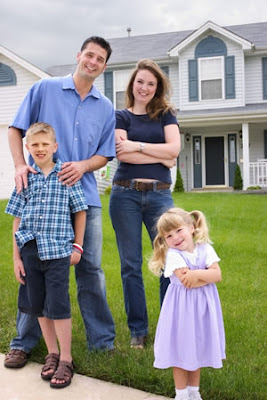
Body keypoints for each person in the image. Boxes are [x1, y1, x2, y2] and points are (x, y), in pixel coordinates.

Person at [4, 36, 116, 369]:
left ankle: (101, 342)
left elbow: (105, 154)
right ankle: (24, 343)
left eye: (100, 59)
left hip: (82, 197)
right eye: (89, 55)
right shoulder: (45, 88)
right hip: (39, 196)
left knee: (90, 269)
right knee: (33, 270)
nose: (93, 62)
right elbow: (15, 129)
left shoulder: (105, 107)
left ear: (104, 66)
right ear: (79, 55)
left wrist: (83, 165)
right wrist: (19, 165)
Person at [6, 123, 88, 388]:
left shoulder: (66, 175)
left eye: (45, 144)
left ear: (55, 147)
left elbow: (80, 211)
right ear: (27, 148)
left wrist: (78, 246)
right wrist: (16, 258)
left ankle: (66, 358)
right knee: (39, 305)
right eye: (35, 145)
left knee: (59, 305)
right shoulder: (24, 178)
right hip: (30, 250)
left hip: (58, 251)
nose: (40, 149)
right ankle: (51, 354)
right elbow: (17, 220)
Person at [109, 59, 181, 348]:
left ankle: (168, 326)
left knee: (169, 261)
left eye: (151, 83)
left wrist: (137, 146)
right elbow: (122, 155)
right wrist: (161, 155)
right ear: (132, 84)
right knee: (130, 265)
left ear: (157, 88)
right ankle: (138, 331)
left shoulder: (166, 115)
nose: (145, 87)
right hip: (124, 194)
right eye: (141, 81)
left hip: (160, 195)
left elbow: (175, 150)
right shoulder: (120, 116)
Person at [149, 208, 226, 400]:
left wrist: (196, 274)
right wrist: (203, 276)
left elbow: (218, 275)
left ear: (191, 227)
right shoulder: (173, 255)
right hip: (181, 311)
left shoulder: (205, 248)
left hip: (202, 311)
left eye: (178, 230)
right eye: (168, 235)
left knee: (196, 348)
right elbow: (187, 282)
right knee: (181, 350)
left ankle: (194, 392)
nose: (175, 237)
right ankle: (181, 394)